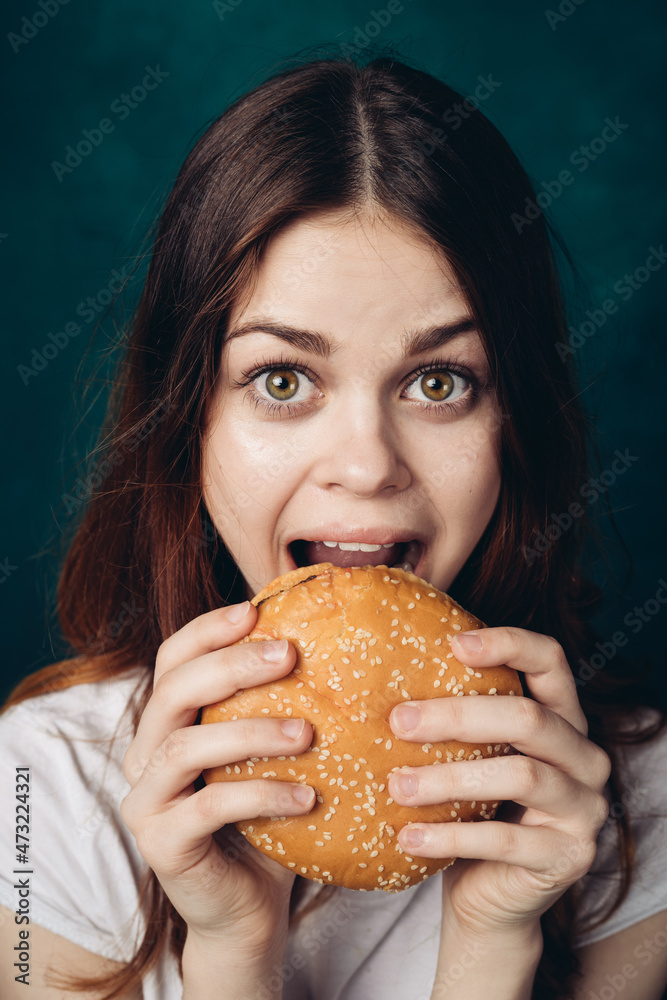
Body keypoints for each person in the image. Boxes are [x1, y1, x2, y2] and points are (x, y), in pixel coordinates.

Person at [1, 49, 666, 1000]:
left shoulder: (634, 799)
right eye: (282, 380)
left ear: (514, 421)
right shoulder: (37, 789)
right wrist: (234, 950)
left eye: (439, 383)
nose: (365, 464)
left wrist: (490, 941)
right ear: (189, 420)